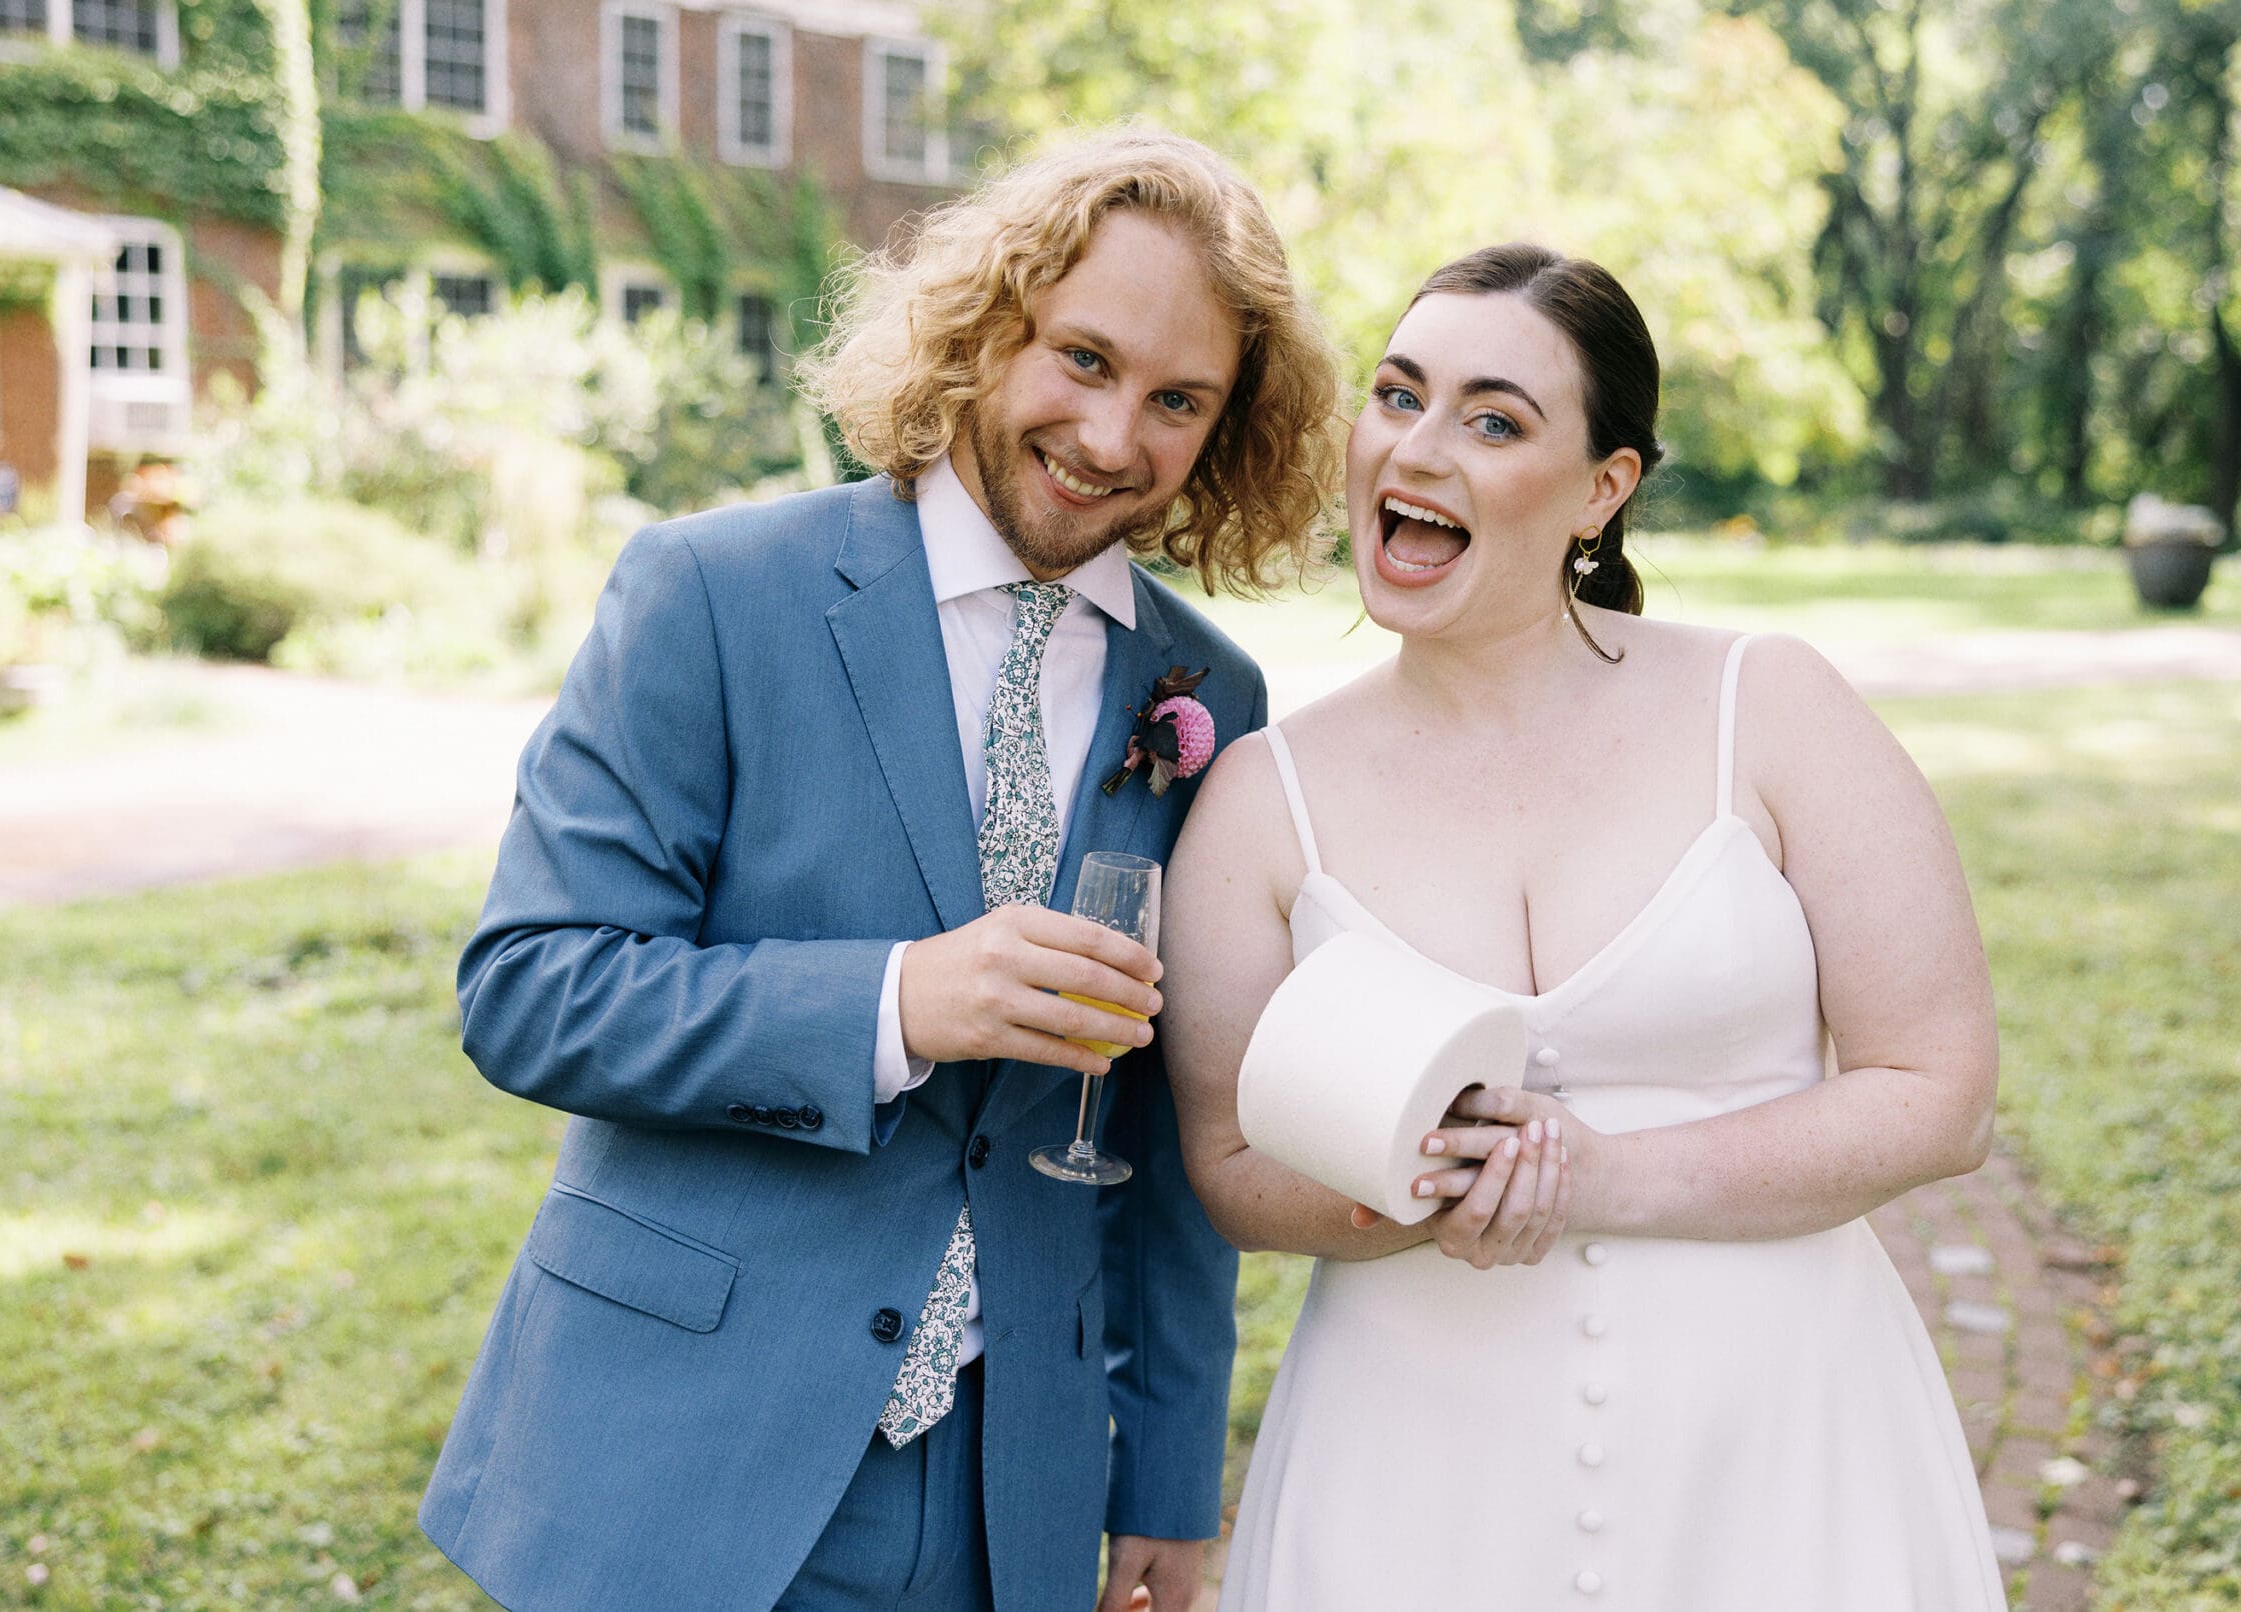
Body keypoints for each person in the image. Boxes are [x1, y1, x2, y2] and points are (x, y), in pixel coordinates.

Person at [418, 131, 1340, 1612]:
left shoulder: (1209, 695)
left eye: (1179, 400)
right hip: (685, 1454)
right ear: (986, 329)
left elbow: (1171, 1133)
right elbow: (531, 991)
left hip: (1010, 1496)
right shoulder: (712, 593)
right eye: (1084, 359)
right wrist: (900, 1002)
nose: (1114, 438)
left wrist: (1166, 1479)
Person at [1162, 244, 2008, 1608]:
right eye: (1399, 396)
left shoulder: (1770, 708)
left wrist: (1597, 1180)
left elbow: (1939, 1092)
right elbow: (1228, 1163)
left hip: (1780, 1446)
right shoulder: (1265, 797)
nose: (1418, 449)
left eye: (1494, 421)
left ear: (1603, 489)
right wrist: (1425, 1194)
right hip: (1413, 1472)